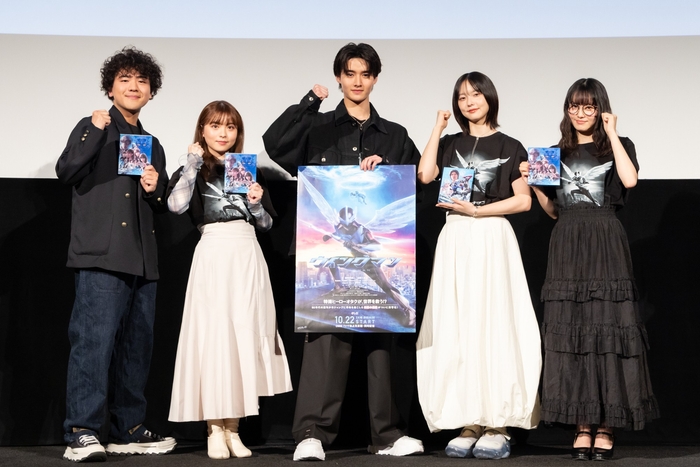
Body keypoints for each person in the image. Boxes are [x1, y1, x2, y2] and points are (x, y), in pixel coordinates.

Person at [263, 42, 424, 461]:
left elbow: (414, 185)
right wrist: (310, 102)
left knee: (382, 344)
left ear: (375, 79)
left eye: (365, 74)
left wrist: (387, 173)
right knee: (325, 343)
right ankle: (310, 434)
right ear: (339, 77)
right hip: (327, 257)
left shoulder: (395, 135)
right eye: (349, 73)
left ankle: (387, 435)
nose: (357, 81)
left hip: (374, 254)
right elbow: (275, 144)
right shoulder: (317, 128)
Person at [519, 78, 659, 461]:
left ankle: (607, 425)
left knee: (607, 327)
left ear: (600, 109)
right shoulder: (553, 152)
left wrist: (612, 133)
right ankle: (582, 425)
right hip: (567, 240)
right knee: (574, 330)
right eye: (574, 106)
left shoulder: (619, 144)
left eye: (588, 106)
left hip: (604, 238)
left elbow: (630, 180)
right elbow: (553, 211)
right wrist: (535, 185)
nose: (580, 113)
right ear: (567, 110)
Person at [55, 47, 175, 462]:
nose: (134, 86)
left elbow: (159, 203)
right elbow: (66, 171)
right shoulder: (93, 128)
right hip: (101, 255)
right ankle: (81, 431)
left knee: (136, 350)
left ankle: (129, 429)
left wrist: (155, 188)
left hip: (141, 259)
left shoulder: (152, 144)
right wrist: (93, 129)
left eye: (142, 81)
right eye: (125, 79)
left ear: (151, 92)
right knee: (93, 344)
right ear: (110, 88)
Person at [415, 72, 541, 460]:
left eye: (475, 94)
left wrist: (477, 210)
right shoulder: (450, 142)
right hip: (455, 236)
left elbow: (523, 201)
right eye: (462, 96)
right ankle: (469, 419)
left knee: (495, 323)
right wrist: (437, 128)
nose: (469, 101)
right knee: (458, 326)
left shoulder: (510, 145)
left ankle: (498, 422)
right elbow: (425, 174)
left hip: (491, 235)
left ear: (489, 98)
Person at [166, 101, 293, 460]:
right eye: (215, 125)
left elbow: (266, 224)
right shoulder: (193, 168)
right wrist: (192, 163)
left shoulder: (248, 169)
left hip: (247, 254)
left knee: (243, 337)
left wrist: (256, 203)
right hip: (213, 253)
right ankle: (214, 428)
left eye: (230, 127)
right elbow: (175, 206)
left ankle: (234, 429)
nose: (223, 133)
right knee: (214, 338)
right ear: (202, 130)